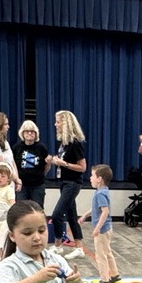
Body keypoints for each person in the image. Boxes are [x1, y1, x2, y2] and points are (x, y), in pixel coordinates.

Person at [0, 201, 86, 283]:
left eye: (41, 230)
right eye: (27, 233)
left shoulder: (57, 260)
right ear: (12, 236)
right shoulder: (9, 265)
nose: (37, 237)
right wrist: (37, 279)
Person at [46, 110, 88, 261]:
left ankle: (58, 246)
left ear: (66, 123)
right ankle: (79, 247)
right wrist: (54, 161)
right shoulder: (63, 143)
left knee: (57, 214)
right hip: (64, 182)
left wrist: (64, 163)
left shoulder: (75, 143)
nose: (55, 124)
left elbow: (82, 167)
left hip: (72, 183)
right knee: (71, 215)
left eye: (58, 122)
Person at [77, 165, 120, 283]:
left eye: (92, 176)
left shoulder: (100, 193)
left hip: (102, 229)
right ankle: (115, 274)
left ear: (99, 179)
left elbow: (104, 212)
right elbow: (96, 208)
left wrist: (97, 229)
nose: (90, 178)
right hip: (106, 228)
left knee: (100, 254)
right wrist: (85, 215)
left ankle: (104, 280)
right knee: (107, 251)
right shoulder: (102, 191)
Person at [11, 120, 50, 209]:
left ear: (36, 134)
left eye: (32, 131)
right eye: (27, 131)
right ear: (22, 133)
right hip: (22, 185)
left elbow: (46, 167)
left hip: (37, 185)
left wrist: (48, 163)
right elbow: (13, 166)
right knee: (21, 210)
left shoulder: (41, 148)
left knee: (37, 210)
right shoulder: (17, 148)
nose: (29, 133)